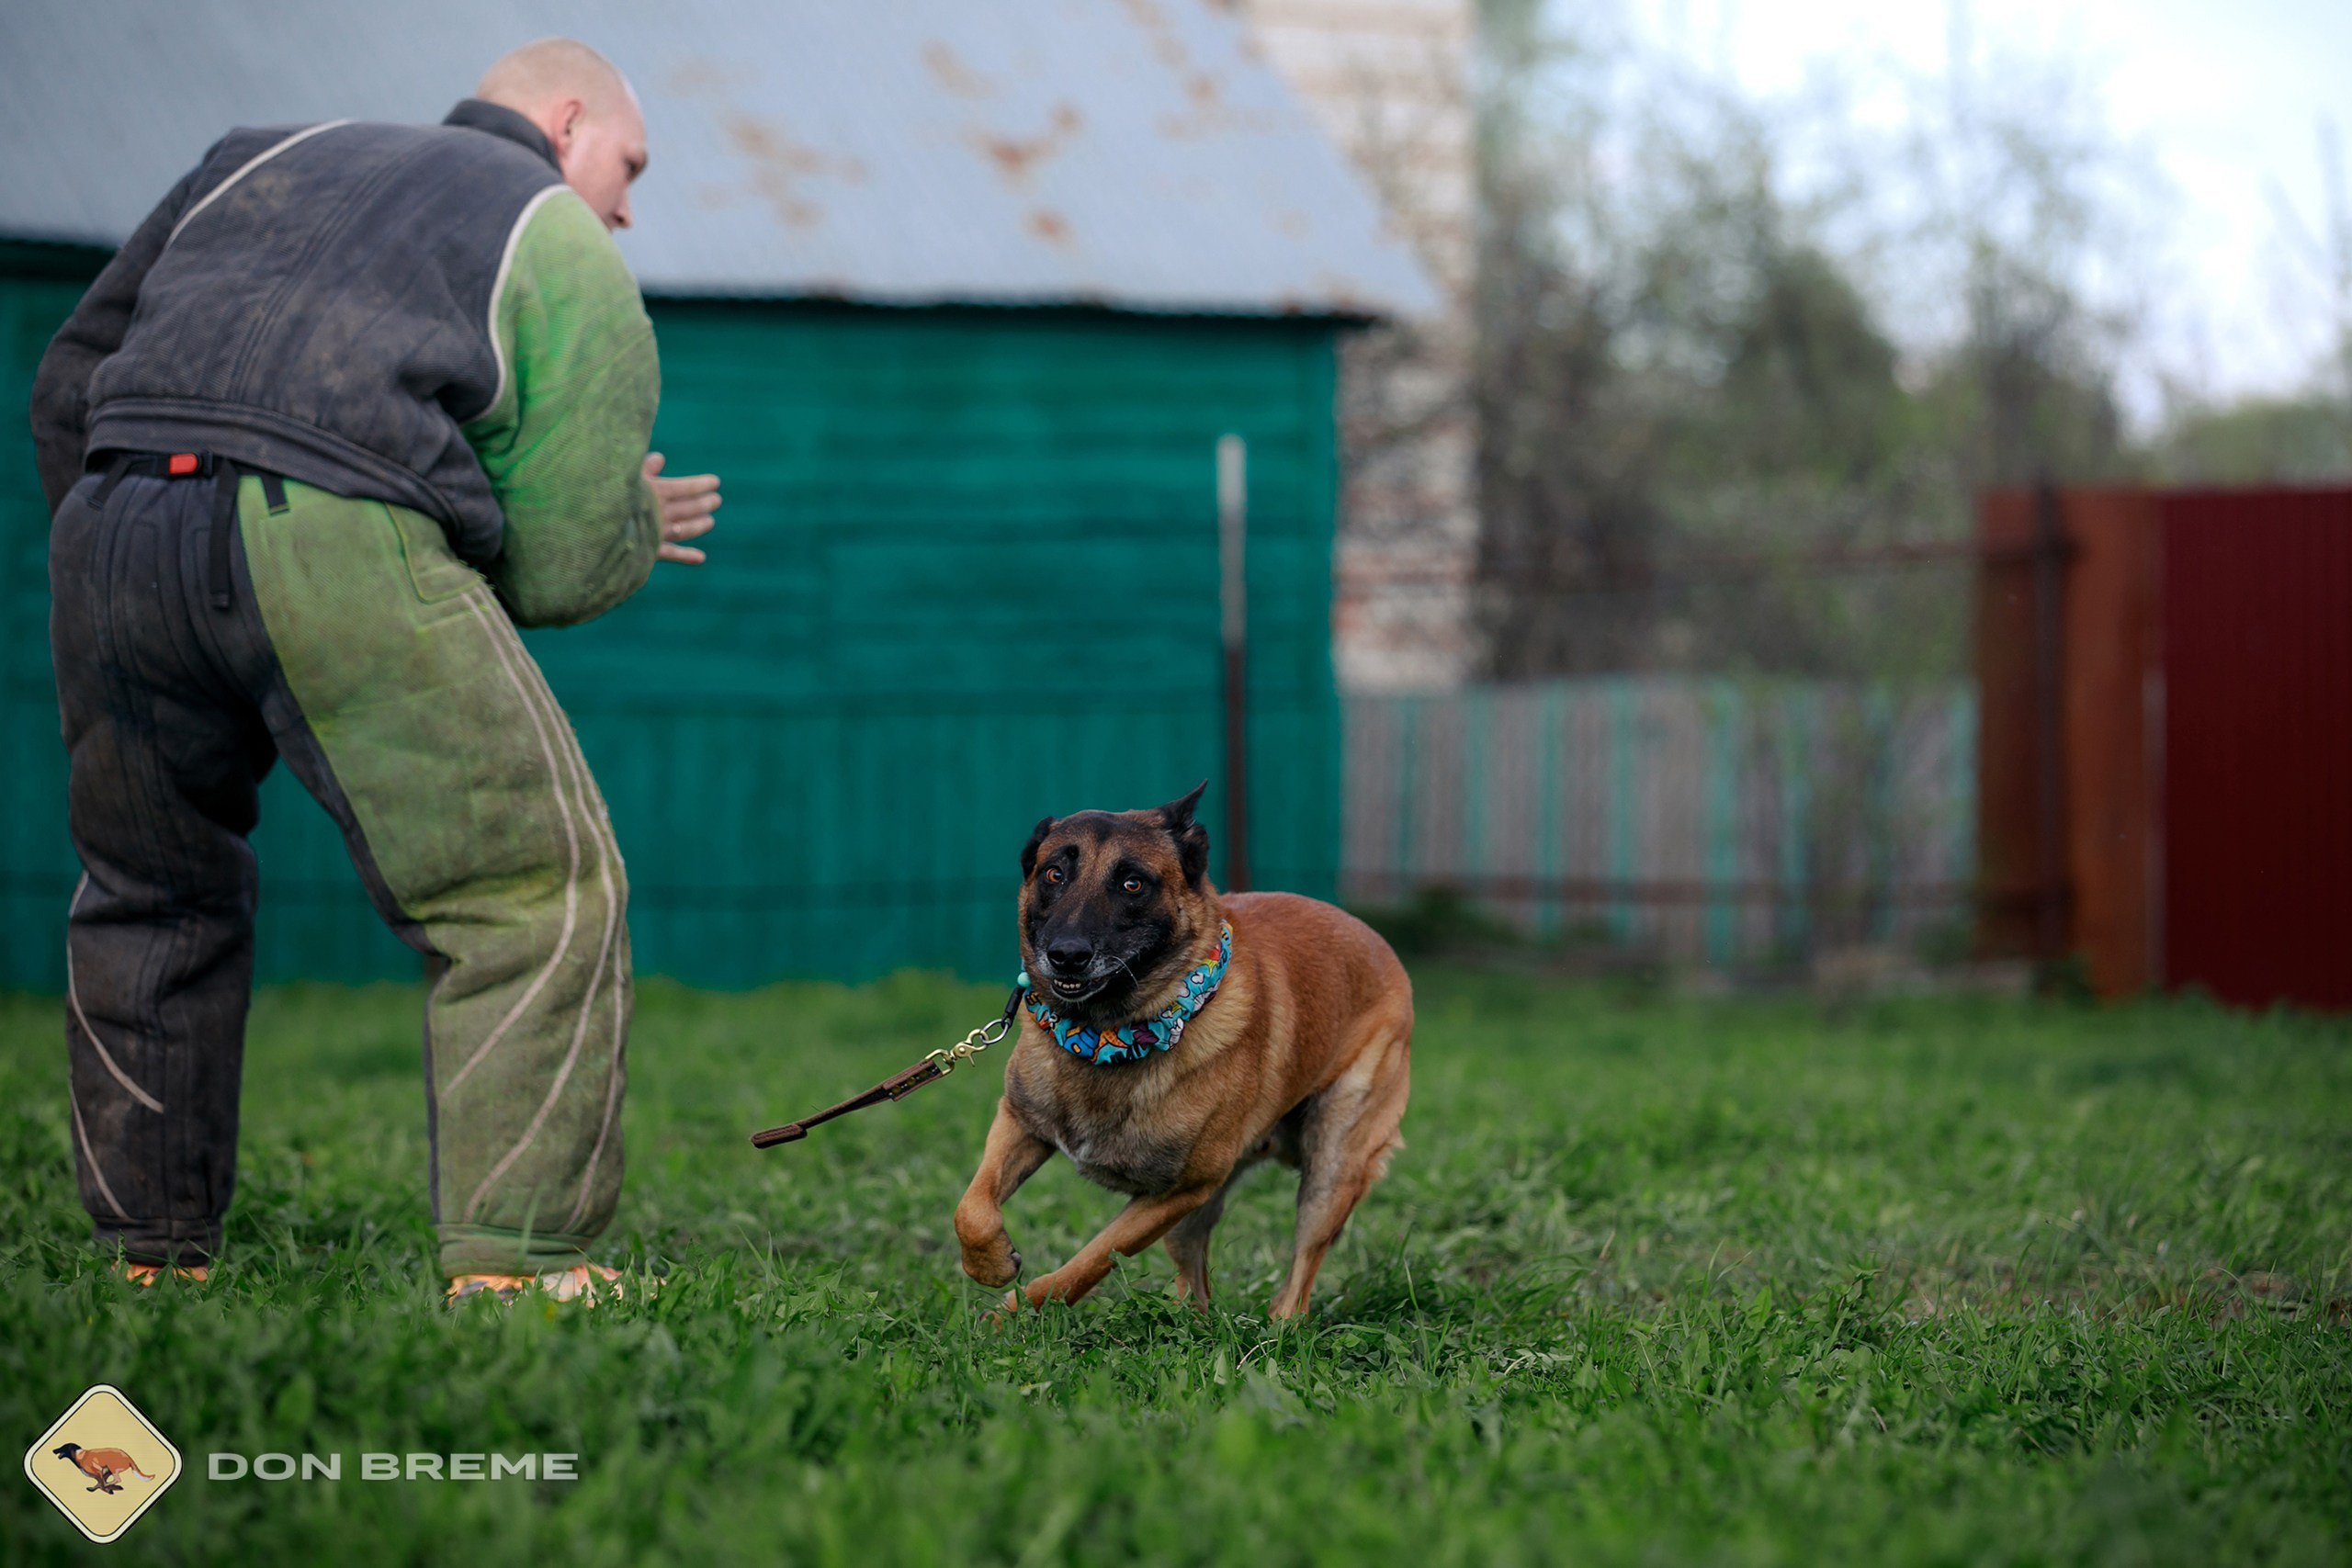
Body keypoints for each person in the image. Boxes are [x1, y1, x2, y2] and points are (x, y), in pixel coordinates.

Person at [29, 38, 718, 1303]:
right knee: (528, 890)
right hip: (334, 535)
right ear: (568, 127)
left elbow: (73, 375)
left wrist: (126, 532)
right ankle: (516, 1273)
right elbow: (562, 566)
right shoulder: (554, 235)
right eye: (630, 166)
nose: (624, 206)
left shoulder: (254, 162)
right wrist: (627, 523)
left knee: (146, 895)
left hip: (113, 525)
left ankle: (152, 1263)